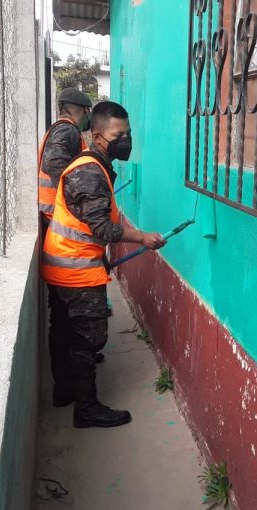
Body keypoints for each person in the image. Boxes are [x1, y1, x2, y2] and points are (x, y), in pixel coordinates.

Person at [41, 101, 166, 428]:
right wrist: (142, 237)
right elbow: (102, 228)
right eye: (118, 135)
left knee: (64, 330)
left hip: (65, 262)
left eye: (128, 134)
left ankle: (64, 390)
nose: (125, 141)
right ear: (97, 137)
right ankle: (86, 409)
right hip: (75, 270)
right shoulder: (89, 171)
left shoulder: (92, 164)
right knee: (88, 339)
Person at [38, 88, 92, 235]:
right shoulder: (67, 129)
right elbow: (54, 162)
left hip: (50, 209)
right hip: (56, 210)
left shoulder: (58, 128)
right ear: (84, 110)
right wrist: (75, 198)